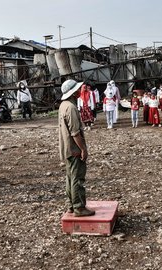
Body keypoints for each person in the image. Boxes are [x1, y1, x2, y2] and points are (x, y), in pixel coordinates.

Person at [58, 79, 95, 217]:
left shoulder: (63, 105)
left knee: (70, 177)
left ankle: (71, 206)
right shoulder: (71, 108)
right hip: (74, 149)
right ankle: (79, 207)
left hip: (66, 148)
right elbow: (75, 133)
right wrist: (83, 149)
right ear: (73, 93)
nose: (80, 90)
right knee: (77, 179)